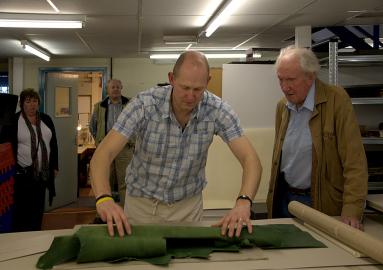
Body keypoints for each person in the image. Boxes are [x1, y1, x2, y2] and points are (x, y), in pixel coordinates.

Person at [90, 51, 262, 238]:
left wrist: (244, 202)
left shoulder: (217, 109)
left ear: (208, 81)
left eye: (197, 89)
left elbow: (250, 159)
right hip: (142, 206)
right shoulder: (144, 104)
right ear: (171, 78)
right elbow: (103, 154)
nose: (190, 96)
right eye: (185, 87)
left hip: (188, 209)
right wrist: (104, 198)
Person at [266, 45, 368, 229]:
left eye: (291, 80)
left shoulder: (336, 100)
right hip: (285, 198)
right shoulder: (283, 106)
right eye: (280, 79)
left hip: (320, 202)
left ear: (310, 76)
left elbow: (355, 162)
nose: (284, 87)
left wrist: (352, 209)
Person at [2, 89, 59, 231]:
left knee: (37, 210)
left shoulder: (46, 119)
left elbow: (53, 144)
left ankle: (35, 236)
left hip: (42, 174)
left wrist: (55, 166)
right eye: (28, 101)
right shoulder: (14, 121)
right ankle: (22, 240)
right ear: (22, 104)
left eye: (35, 101)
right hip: (22, 175)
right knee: (22, 211)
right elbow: (6, 145)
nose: (32, 104)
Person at [89, 79, 134, 205]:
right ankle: (103, 214)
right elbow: (92, 127)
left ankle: (126, 212)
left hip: (125, 149)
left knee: (125, 181)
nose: (115, 89)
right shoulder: (99, 107)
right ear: (107, 90)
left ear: (121, 88)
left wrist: (133, 141)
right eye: (112, 87)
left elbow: (137, 124)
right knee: (104, 181)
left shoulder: (130, 104)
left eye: (118, 87)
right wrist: (99, 141)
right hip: (105, 149)